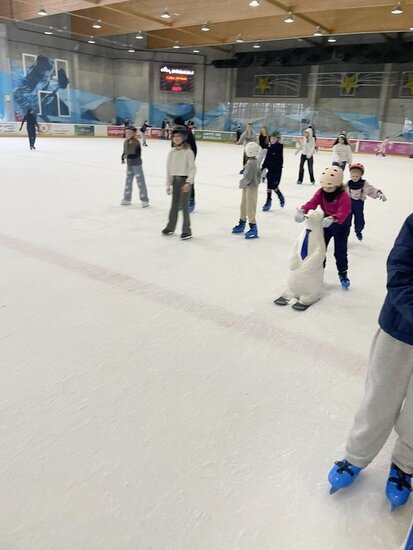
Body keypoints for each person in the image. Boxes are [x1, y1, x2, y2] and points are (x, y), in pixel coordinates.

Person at [328, 213, 413, 510]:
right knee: (379, 399)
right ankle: (356, 455)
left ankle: (404, 465)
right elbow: (400, 272)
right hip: (399, 331)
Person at [295, 165, 351, 288]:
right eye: (324, 186)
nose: (326, 189)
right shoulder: (321, 192)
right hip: (326, 224)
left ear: (337, 184)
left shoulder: (343, 195)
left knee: (340, 251)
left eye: (329, 187)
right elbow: (312, 202)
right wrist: (303, 210)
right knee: (320, 249)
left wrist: (334, 218)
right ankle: (319, 272)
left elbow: (344, 211)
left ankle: (343, 274)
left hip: (341, 225)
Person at [162, 125, 196, 240]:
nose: (176, 138)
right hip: (175, 181)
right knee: (174, 205)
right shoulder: (172, 153)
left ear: (184, 137)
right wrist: (168, 184)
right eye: (174, 136)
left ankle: (186, 230)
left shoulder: (188, 152)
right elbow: (169, 169)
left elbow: (192, 169)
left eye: (179, 136)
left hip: (184, 181)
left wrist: (189, 182)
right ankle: (170, 227)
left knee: (184, 206)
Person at [347, 163, 387, 241]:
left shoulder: (363, 183)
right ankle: (345, 233)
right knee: (346, 220)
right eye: (352, 176)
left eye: (357, 176)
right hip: (349, 203)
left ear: (361, 175)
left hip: (358, 204)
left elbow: (371, 189)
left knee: (359, 219)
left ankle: (358, 231)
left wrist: (379, 193)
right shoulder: (348, 183)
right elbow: (341, 191)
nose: (354, 178)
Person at [232, 142, 261, 239]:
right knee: (243, 205)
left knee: (250, 208)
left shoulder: (251, 163)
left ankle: (253, 228)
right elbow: (258, 176)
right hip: (248, 187)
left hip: (251, 188)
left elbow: (248, 178)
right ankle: (242, 222)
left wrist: (241, 183)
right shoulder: (255, 161)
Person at [120, 125, 149, 208]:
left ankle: (144, 199)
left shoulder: (136, 142)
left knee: (140, 181)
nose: (127, 134)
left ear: (134, 133)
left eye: (129, 132)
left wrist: (128, 156)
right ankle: (127, 198)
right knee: (128, 181)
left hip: (137, 164)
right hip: (129, 164)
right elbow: (125, 151)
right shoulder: (126, 142)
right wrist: (123, 156)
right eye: (126, 132)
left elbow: (137, 154)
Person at [173, 117, 197, 212]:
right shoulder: (176, 133)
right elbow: (174, 147)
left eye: (175, 124)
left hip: (187, 161)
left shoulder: (188, 133)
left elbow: (194, 148)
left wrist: (191, 160)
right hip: (179, 161)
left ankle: (191, 201)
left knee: (189, 181)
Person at [262, 131, 284, 211]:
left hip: (277, 171)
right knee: (269, 187)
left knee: (274, 186)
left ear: (277, 139)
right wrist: (263, 167)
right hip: (270, 171)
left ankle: (280, 196)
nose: (272, 140)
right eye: (271, 138)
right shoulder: (270, 148)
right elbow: (267, 159)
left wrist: (281, 142)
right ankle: (268, 201)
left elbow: (280, 147)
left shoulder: (279, 147)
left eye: (274, 139)